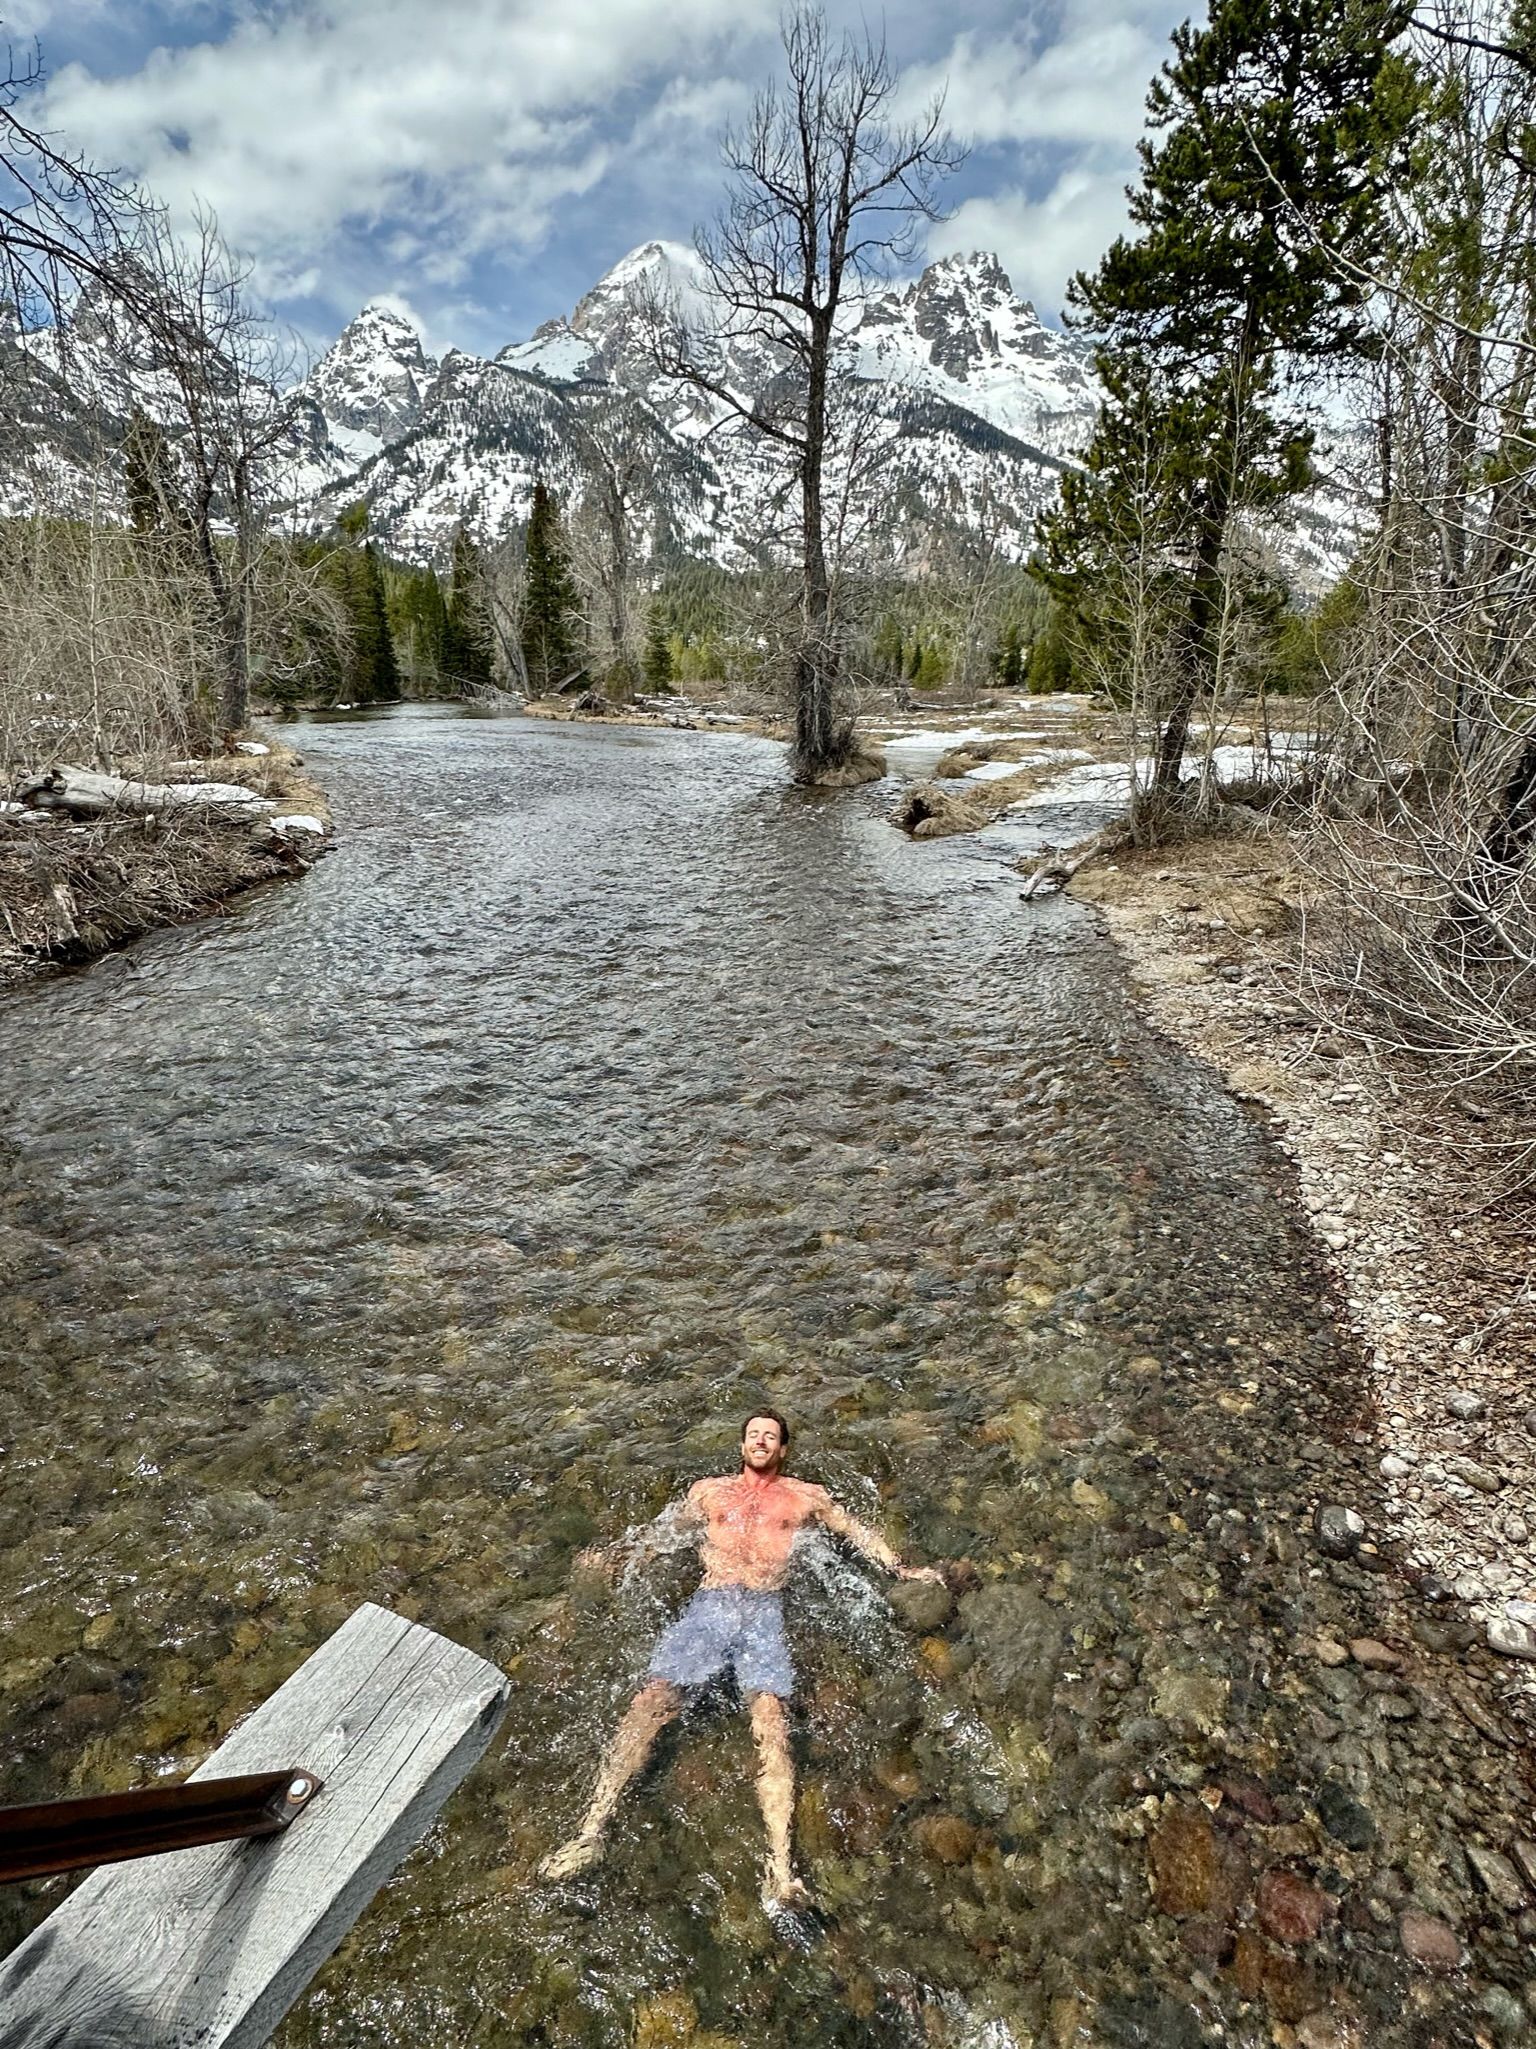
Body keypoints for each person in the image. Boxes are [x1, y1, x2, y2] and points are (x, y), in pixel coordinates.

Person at [538, 1409, 944, 1906]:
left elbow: (856, 1533)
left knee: (772, 1724)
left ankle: (780, 1869)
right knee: (650, 1702)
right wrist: (616, 1558)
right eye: (753, 1434)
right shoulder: (709, 1492)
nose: (760, 1441)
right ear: (742, 1445)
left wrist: (903, 1570)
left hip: (764, 1612)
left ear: (783, 1449)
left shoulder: (806, 1496)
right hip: (709, 1608)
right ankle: (591, 1832)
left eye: (770, 1436)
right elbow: (661, 1536)